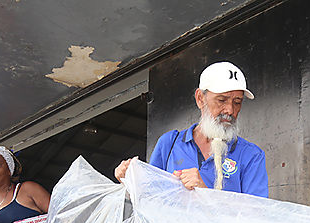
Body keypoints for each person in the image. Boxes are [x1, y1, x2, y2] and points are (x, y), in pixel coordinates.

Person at [115, 61, 269, 197]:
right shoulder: (169, 144)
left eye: (237, 102)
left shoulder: (251, 156)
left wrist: (205, 192)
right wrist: (128, 180)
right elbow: (150, 197)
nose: (229, 110)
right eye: (221, 100)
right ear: (200, 98)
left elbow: (255, 217)